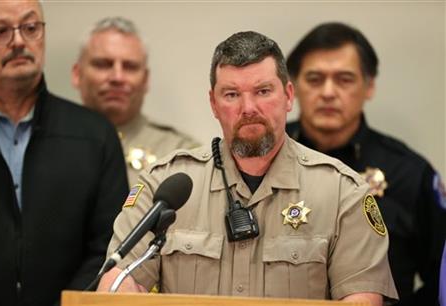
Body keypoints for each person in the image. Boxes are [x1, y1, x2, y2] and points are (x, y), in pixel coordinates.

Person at [97, 30, 398, 305]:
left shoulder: (342, 192)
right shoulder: (166, 184)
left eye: (263, 91)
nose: (248, 108)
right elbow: (115, 284)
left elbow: (362, 300)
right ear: (214, 104)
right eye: (231, 95)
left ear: (288, 96)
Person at [284, 22, 446, 306]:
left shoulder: (408, 172)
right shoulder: (264, 158)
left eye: (344, 79)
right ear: (293, 86)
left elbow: (442, 277)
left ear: (369, 86)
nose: (328, 92)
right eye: (314, 79)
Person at [0, 1, 129, 305]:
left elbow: (110, 246)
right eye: (0, 31)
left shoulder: (94, 135)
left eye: (30, 27)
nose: (19, 41)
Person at [72, 17, 199, 186]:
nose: (117, 77)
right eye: (103, 64)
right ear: (77, 74)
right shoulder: (47, 143)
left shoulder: (180, 154)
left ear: (146, 80)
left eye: (130, 67)